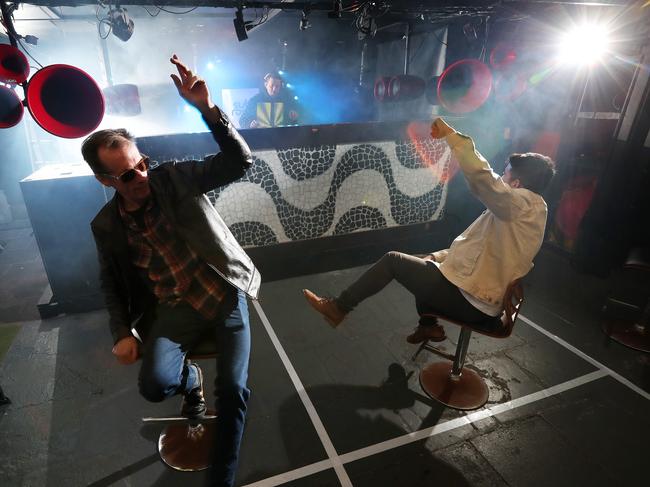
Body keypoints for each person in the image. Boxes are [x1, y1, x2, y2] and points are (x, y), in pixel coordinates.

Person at [83, 54, 260, 487]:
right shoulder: (106, 226)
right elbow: (111, 282)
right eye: (127, 175)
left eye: (142, 164)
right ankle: (189, 379)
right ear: (106, 181)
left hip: (223, 293)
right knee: (155, 386)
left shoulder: (175, 179)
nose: (141, 176)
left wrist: (207, 110)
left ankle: (222, 480)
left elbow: (240, 162)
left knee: (234, 391)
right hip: (173, 310)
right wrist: (122, 332)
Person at [303, 117, 555, 342]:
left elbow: (484, 179)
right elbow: (474, 248)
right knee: (427, 263)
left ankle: (338, 309)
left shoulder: (520, 205)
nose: (501, 177)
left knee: (393, 262)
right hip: (479, 295)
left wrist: (453, 137)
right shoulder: (527, 209)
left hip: (474, 303)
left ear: (517, 183)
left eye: (505, 175)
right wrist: (437, 256)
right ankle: (429, 326)